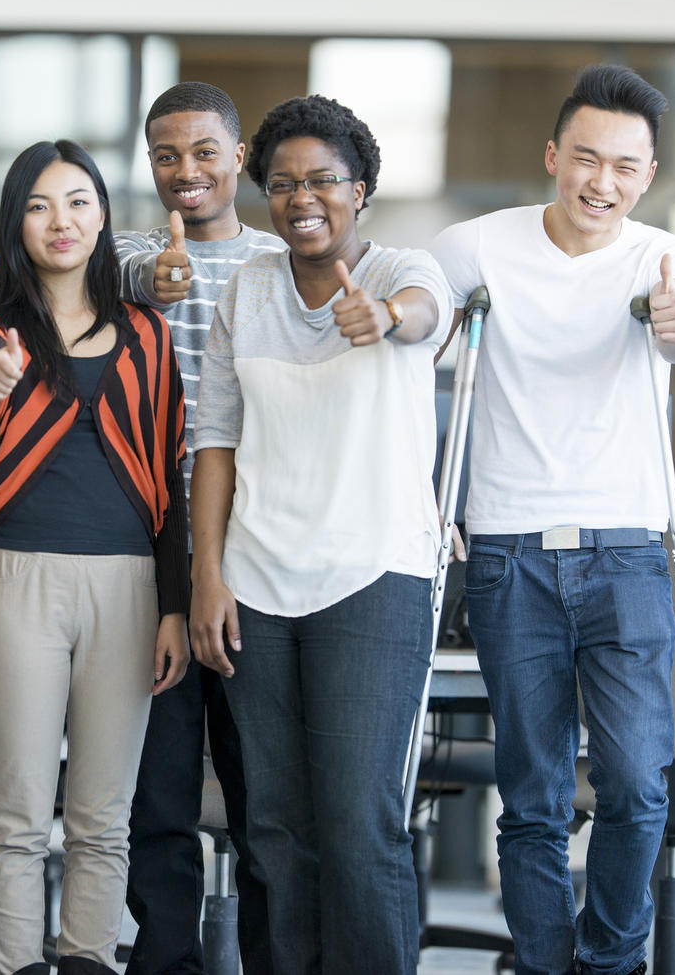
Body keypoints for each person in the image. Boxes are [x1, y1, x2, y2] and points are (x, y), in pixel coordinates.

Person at [428, 64, 675, 975]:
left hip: (628, 549)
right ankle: (548, 965)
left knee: (636, 784)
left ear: (649, 172)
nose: (602, 182)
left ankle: (612, 962)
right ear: (553, 155)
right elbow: (419, 310)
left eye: (626, 167)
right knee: (535, 796)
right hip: (512, 552)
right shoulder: (476, 246)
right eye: (586, 158)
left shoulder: (668, 258)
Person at [189, 95, 452, 975]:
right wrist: (206, 577)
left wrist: (385, 319)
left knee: (356, 825)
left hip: (372, 579)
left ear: (361, 187)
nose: (303, 197)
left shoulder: (398, 271)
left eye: (324, 180)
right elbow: (215, 443)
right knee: (273, 826)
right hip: (256, 584)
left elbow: (429, 312)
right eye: (283, 183)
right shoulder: (248, 289)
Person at [0, 139, 190, 975]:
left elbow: (168, 478)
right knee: (16, 817)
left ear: (103, 215)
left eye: (80, 201)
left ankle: (87, 962)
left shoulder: (148, 335)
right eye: (41, 205)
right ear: (17, 221)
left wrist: (172, 604)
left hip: (128, 586)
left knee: (103, 817)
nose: (63, 221)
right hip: (19, 580)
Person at [113, 81, 280, 975]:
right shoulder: (127, 255)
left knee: (263, 798)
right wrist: (155, 278)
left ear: (239, 155)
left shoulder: (277, 262)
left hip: (255, 557)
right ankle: (166, 959)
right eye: (168, 155)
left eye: (205, 152)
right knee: (159, 792)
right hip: (147, 555)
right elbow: (126, 272)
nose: (187, 172)